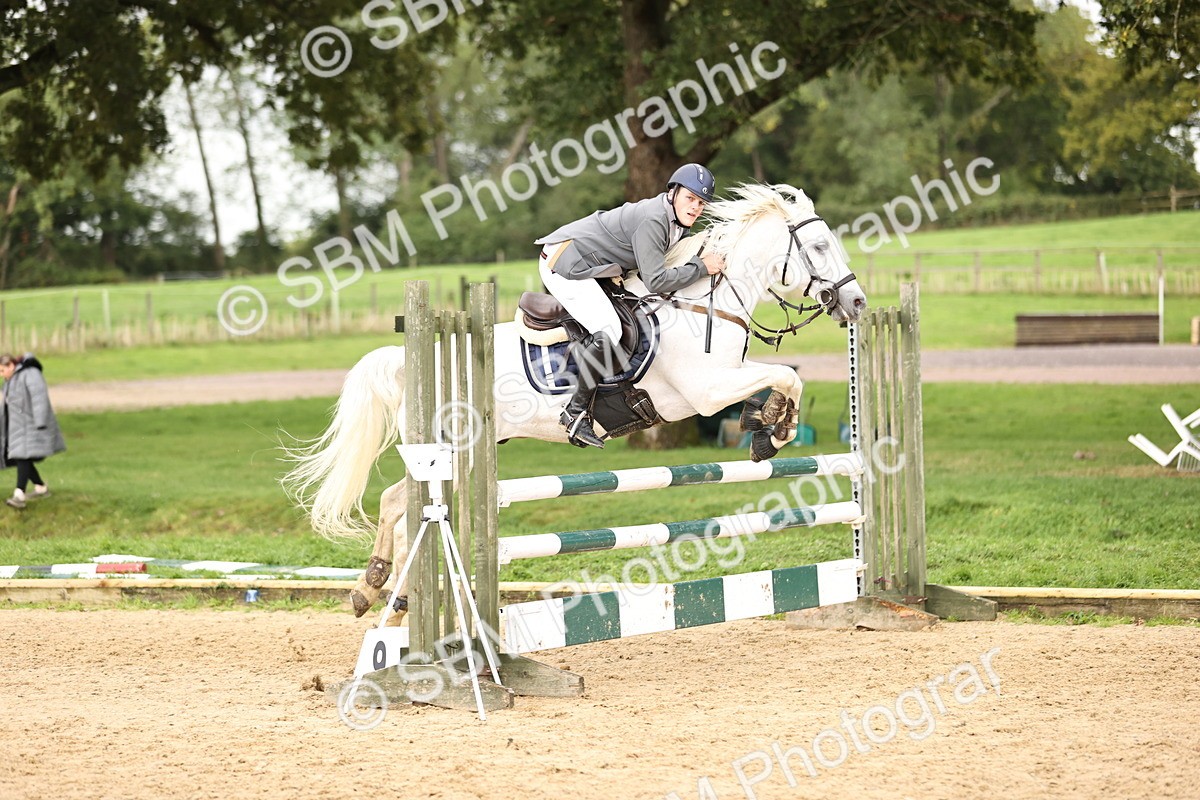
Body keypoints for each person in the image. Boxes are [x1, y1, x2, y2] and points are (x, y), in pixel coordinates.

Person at [534, 163, 726, 448]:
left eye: (701, 203)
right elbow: (656, 281)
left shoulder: (677, 225)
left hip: (593, 264)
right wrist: (701, 267)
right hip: (564, 263)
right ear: (673, 193)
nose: (696, 207)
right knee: (609, 328)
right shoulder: (655, 219)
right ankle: (575, 414)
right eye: (690, 198)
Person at [1, 353, 66, 509]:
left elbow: (39, 397)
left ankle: (19, 495)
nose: (1, 374)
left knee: (22, 457)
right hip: (17, 427)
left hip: (32, 425)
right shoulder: (10, 380)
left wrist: (40, 421)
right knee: (21, 458)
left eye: (2, 370)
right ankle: (40, 487)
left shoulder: (31, 374)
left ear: (11, 365)